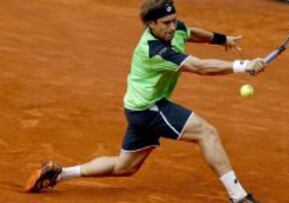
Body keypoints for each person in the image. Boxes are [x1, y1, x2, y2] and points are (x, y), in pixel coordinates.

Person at [25, 0, 265, 202]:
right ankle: (239, 196)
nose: (172, 27)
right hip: (151, 108)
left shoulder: (174, 28)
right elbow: (199, 67)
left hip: (137, 108)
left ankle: (59, 174)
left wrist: (222, 39)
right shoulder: (154, 50)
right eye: (166, 23)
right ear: (151, 24)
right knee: (206, 133)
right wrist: (243, 66)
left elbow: (190, 32)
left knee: (124, 167)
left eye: (173, 21)